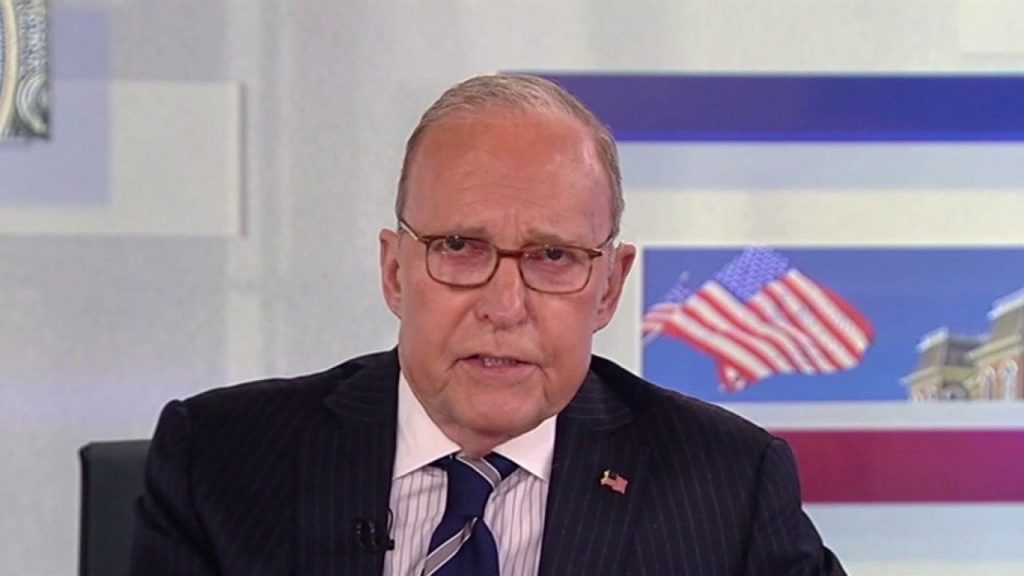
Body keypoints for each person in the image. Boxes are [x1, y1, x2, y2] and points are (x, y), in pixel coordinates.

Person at [131, 74, 846, 576]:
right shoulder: (220, 462)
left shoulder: (728, 487)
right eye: (459, 247)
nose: (504, 305)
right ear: (395, 271)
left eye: (554, 256)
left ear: (608, 287)